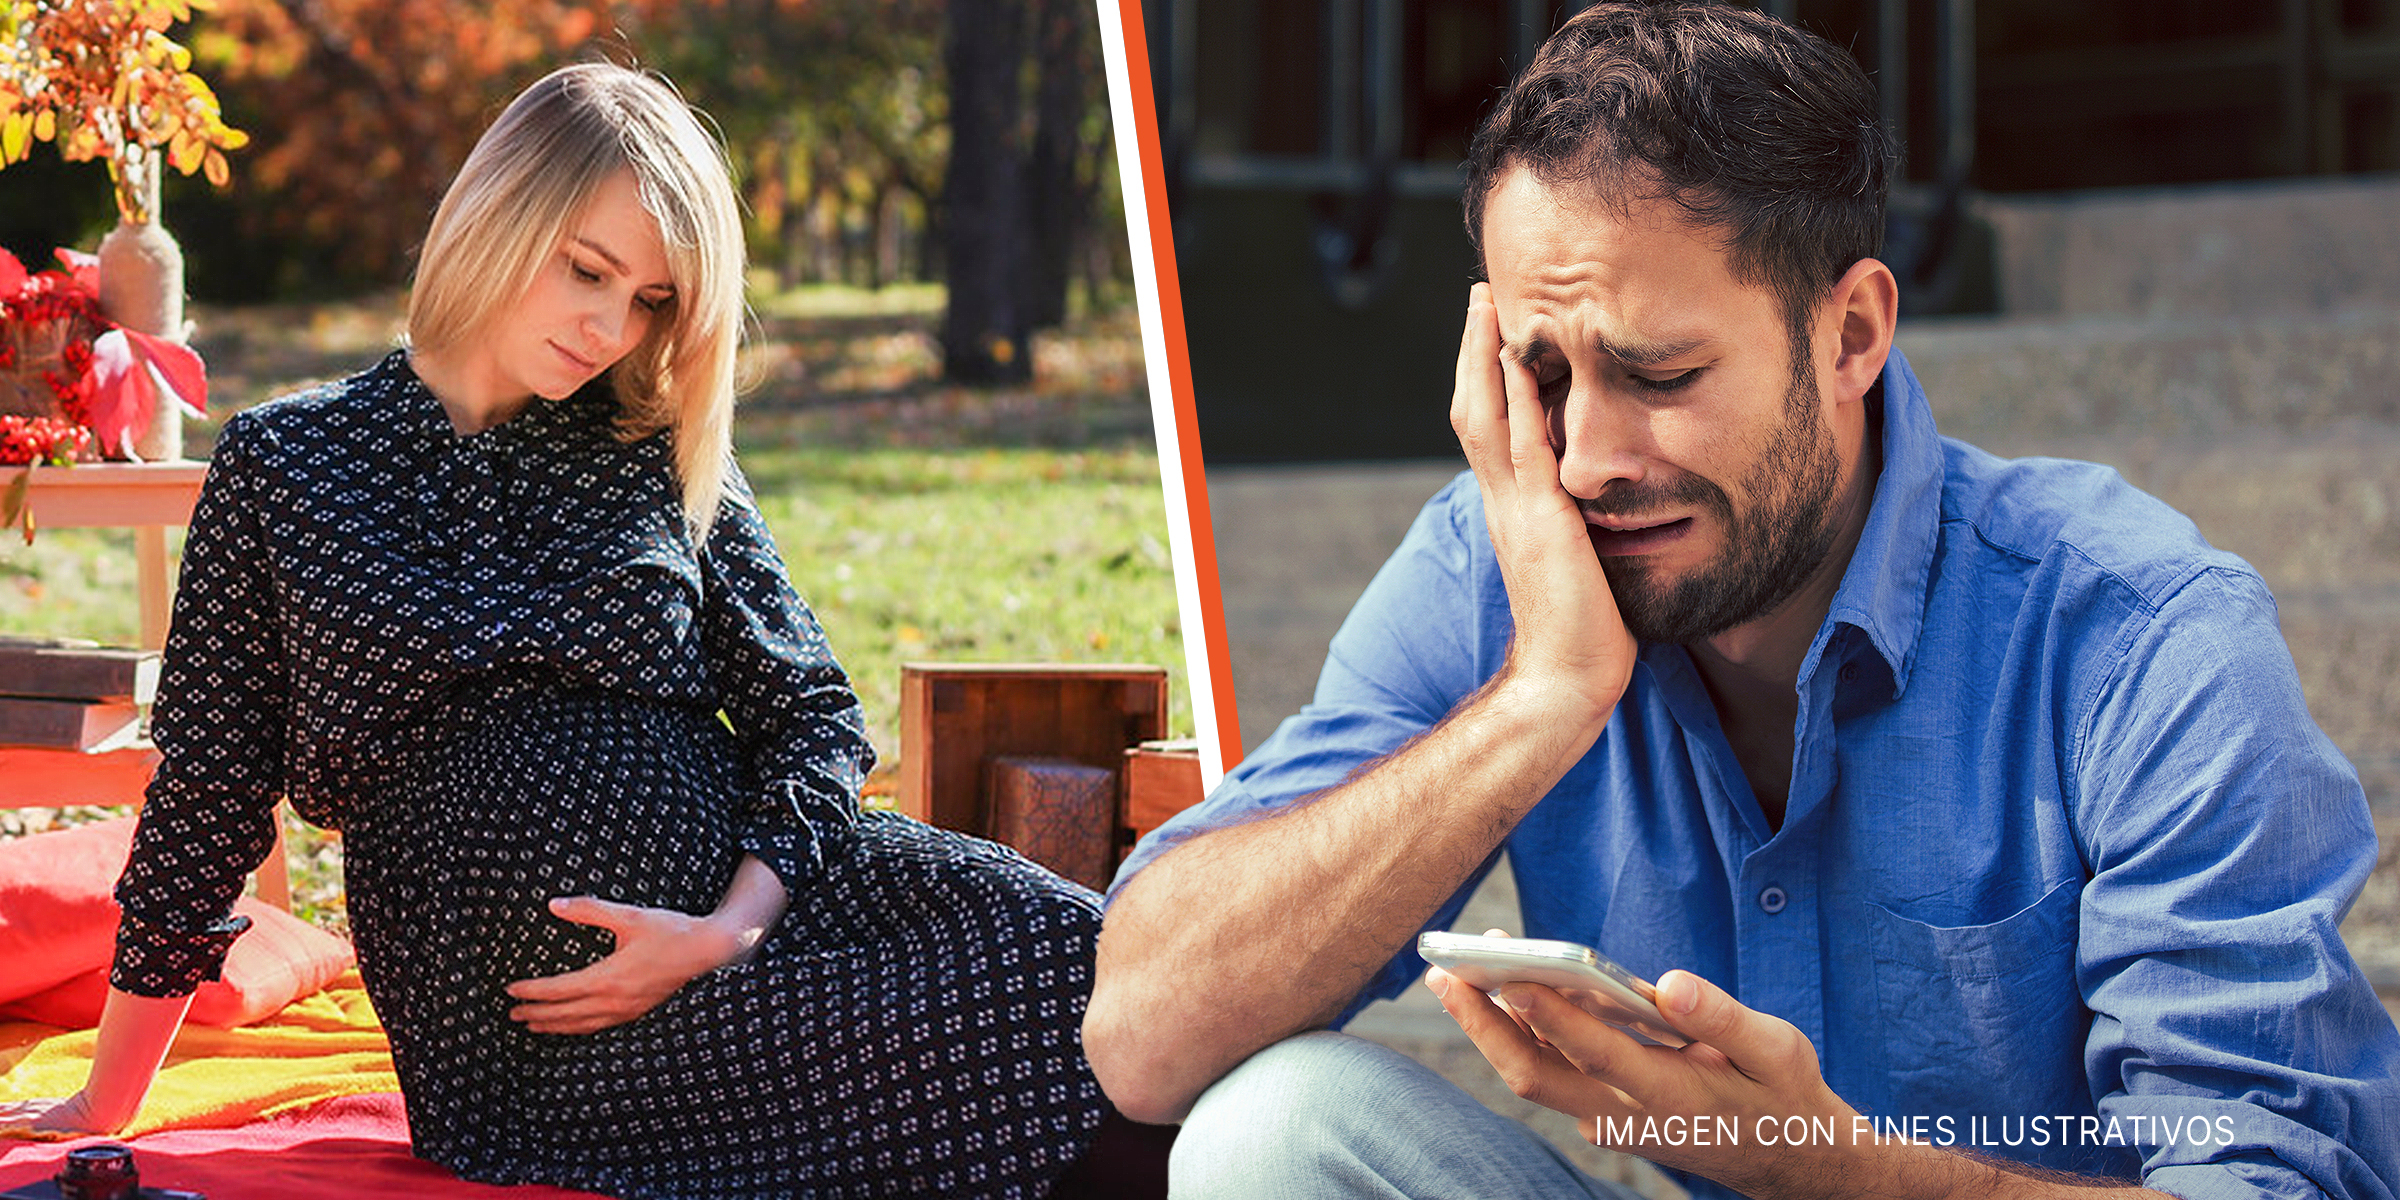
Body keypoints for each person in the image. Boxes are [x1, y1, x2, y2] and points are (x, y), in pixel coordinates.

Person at [1085, 4, 2400, 1199]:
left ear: (1852, 336)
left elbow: (2277, 1181)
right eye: (1540, 374)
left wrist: (1839, 1173)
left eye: (1656, 372)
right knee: (1277, 1132)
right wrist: (1541, 698)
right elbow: (1144, 1039)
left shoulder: (2140, 635)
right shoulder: (1501, 560)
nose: (1588, 456)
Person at [2, 63, 1106, 1198]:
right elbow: (209, 789)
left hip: (770, 911)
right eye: (589, 269)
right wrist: (109, 1099)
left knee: (1113, 961)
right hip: (537, 1037)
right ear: (499, 209)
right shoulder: (289, 462)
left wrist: (725, 928)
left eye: (650, 301)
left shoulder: (656, 447)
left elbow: (813, 715)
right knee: (1055, 1087)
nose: (608, 324)